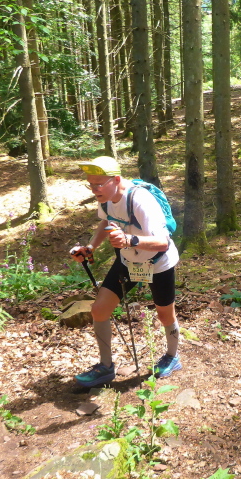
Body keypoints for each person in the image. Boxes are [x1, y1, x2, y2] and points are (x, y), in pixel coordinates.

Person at [69, 156, 181, 387]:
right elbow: (105, 222)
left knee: (164, 315)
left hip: (158, 262)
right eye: (90, 185)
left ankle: (172, 357)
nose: (94, 190)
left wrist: (129, 240)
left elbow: (163, 243)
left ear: (116, 179)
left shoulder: (140, 200)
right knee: (99, 310)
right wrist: (90, 248)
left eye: (98, 184)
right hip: (128, 261)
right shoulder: (106, 198)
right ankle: (105, 367)